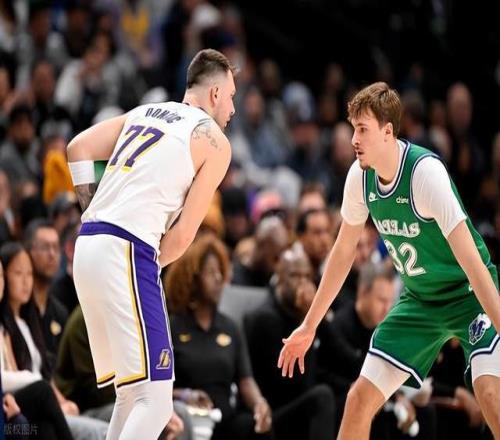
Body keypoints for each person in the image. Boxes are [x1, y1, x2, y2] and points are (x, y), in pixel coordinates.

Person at [278, 82, 500, 440]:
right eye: (353, 129)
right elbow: (343, 252)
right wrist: (309, 325)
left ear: (387, 132)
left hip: (468, 294)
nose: (354, 139)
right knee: (358, 400)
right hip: (420, 301)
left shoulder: (425, 174)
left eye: (362, 129)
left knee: (490, 395)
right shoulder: (359, 177)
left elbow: (473, 263)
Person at [67, 48, 235, 439]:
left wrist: (93, 211)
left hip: (88, 244)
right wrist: (146, 266)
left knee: (132, 394)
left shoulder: (145, 112)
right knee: (158, 401)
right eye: (231, 96)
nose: (232, 108)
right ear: (214, 94)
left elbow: (78, 147)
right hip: (128, 250)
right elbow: (183, 236)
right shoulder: (214, 141)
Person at [165, 234, 272, 440]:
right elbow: (157, 388)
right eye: (210, 272)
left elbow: (246, 380)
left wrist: (259, 403)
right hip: (187, 418)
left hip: (225, 419)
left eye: (220, 272)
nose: (218, 279)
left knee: (253, 426)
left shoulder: (230, 327)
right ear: (193, 279)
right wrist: (185, 395)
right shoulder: (173, 326)